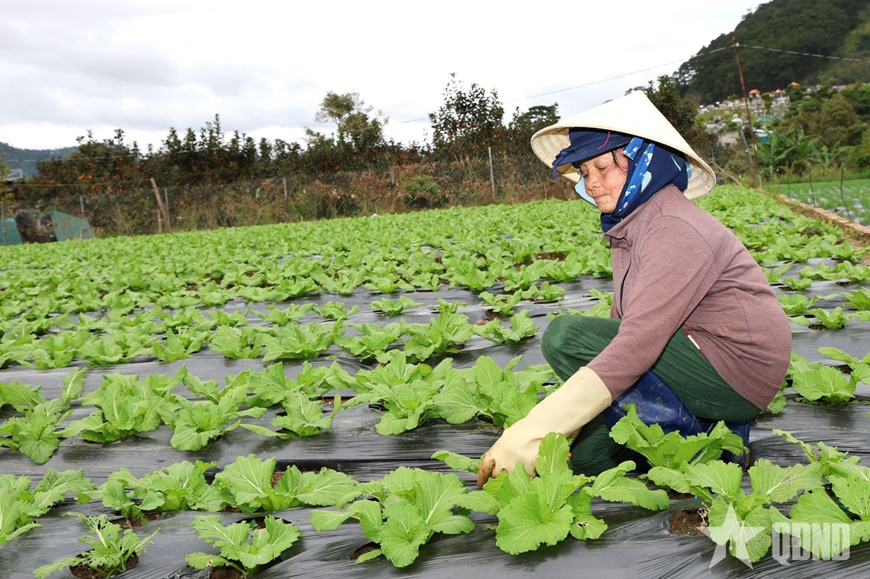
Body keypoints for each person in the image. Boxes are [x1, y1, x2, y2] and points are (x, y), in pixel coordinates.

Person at [477, 91, 792, 486]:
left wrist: (540, 425)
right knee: (583, 462)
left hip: (734, 369)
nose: (592, 184)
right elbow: (623, 321)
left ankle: (704, 443)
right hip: (693, 354)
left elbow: (638, 340)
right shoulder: (632, 226)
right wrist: (569, 427)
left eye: (603, 167)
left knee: (565, 337)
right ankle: (708, 433)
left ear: (646, 161)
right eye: (585, 172)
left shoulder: (673, 226)